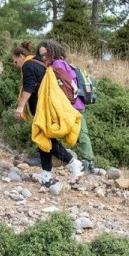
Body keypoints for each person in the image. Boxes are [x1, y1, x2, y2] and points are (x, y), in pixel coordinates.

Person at [13, 41, 83, 183]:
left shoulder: (28, 65)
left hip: (43, 109)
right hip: (46, 107)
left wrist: (20, 107)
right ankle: (46, 173)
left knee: (45, 137)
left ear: (21, 56)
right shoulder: (39, 63)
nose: (15, 65)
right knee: (43, 138)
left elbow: (28, 88)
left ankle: (73, 163)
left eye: (14, 62)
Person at [37, 40, 95, 171]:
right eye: (41, 55)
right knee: (82, 132)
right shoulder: (65, 63)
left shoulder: (57, 64)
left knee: (51, 130)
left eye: (46, 54)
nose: (43, 57)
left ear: (53, 52)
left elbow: (65, 85)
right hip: (78, 103)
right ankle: (89, 161)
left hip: (70, 105)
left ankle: (49, 154)